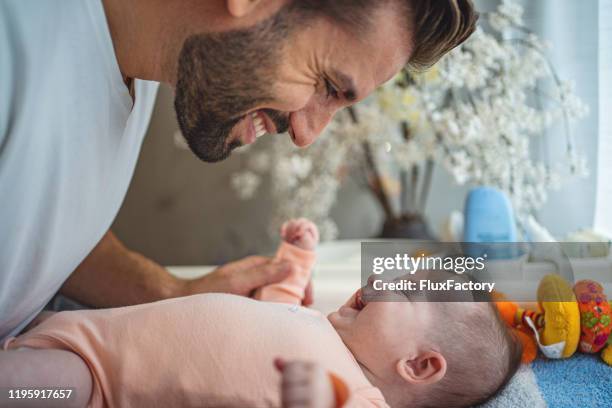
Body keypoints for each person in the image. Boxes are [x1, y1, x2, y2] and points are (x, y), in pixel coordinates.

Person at [0, 0, 477, 342]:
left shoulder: (141, 64)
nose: (308, 134)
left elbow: (38, 224)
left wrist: (169, 292)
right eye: (327, 84)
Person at [1, 219, 522, 408]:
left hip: (95, 382)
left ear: (419, 366)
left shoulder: (353, 398)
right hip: (87, 330)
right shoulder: (320, 328)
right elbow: (277, 309)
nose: (378, 280)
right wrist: (294, 262)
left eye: (402, 293)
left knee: (22, 385)